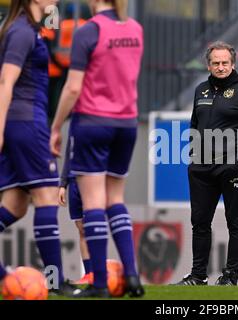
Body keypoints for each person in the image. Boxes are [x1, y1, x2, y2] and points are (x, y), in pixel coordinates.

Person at [50, 0, 144, 298]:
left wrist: (56, 126)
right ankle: (132, 276)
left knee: (93, 203)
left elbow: (73, 87)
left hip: (93, 121)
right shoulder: (136, 29)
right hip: (127, 122)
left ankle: (100, 283)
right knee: (116, 199)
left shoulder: (88, 31)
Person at [176, 41, 238, 286]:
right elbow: (194, 124)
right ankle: (198, 276)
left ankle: (230, 276)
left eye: (225, 62)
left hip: (233, 166)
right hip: (201, 167)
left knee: (235, 221)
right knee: (200, 221)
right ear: (209, 65)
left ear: (233, 64)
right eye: (215, 63)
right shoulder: (201, 90)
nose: (220, 67)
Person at [0, 0, 75, 296]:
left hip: (22, 124)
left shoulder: (26, 29)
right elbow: (6, 81)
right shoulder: (22, 31)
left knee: (15, 205)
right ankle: (55, 282)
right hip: (26, 123)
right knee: (46, 198)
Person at [58, 132, 93, 285]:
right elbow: (68, 155)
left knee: (93, 225)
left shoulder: (98, 120)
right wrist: (63, 183)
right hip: (73, 181)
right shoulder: (75, 125)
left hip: (91, 179)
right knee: (81, 228)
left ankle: (96, 274)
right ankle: (88, 274)